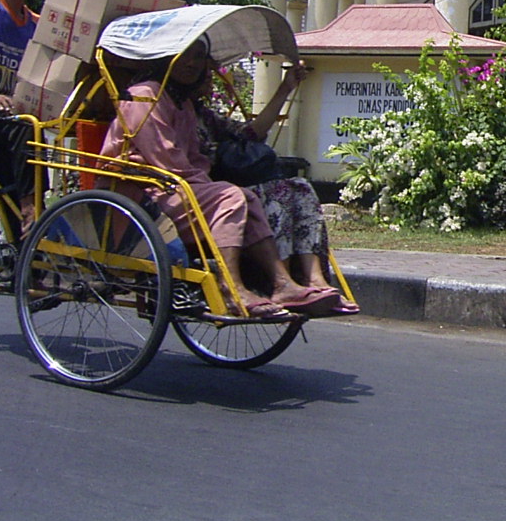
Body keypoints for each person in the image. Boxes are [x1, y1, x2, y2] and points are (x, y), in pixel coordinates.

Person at [100, 37, 338, 318]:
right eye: (185, 54)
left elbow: (248, 134)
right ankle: (231, 286)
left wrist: (285, 88)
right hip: (146, 190)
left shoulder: (186, 105)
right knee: (233, 196)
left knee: (264, 193)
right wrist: (214, 186)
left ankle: (285, 282)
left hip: (184, 187)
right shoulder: (145, 95)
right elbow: (165, 159)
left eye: (200, 57)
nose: (193, 64)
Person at [195, 58, 357, 314]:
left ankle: (315, 279)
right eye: (200, 70)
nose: (208, 76)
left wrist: (286, 88)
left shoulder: (205, 116)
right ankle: (282, 283)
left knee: (301, 188)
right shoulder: (164, 109)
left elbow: (251, 132)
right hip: (209, 191)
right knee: (273, 195)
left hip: (229, 186)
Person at [0, 0, 51, 232]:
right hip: (2, 114)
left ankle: (27, 253)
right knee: (25, 127)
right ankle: (30, 204)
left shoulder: (36, 24)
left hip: (7, 116)